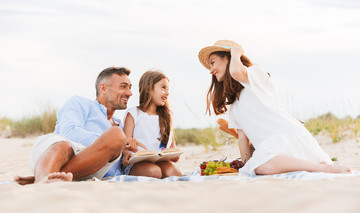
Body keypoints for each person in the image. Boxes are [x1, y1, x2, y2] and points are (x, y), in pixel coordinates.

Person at [198, 40, 351, 176]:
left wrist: (236, 52)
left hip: (287, 137)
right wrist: (246, 167)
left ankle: (323, 168)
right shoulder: (235, 105)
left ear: (227, 58)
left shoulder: (256, 76)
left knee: (261, 165)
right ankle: (316, 167)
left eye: (213, 62)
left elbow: (237, 72)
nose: (210, 70)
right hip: (272, 150)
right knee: (256, 166)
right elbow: (242, 139)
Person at [15, 66, 144, 184]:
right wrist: (112, 142)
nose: (129, 93)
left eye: (130, 87)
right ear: (103, 88)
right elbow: (69, 133)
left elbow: (119, 166)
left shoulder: (121, 126)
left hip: (93, 169)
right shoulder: (80, 103)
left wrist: (126, 153)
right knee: (64, 145)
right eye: (123, 87)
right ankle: (45, 177)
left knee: (117, 136)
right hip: (58, 155)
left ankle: (45, 178)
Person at [121, 70, 181, 178]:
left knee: (173, 173)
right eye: (163, 87)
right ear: (148, 89)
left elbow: (172, 146)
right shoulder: (134, 113)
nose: (167, 92)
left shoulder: (166, 116)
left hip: (159, 161)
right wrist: (126, 153)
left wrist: (174, 156)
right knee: (154, 172)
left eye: (168, 89)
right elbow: (126, 142)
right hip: (137, 164)